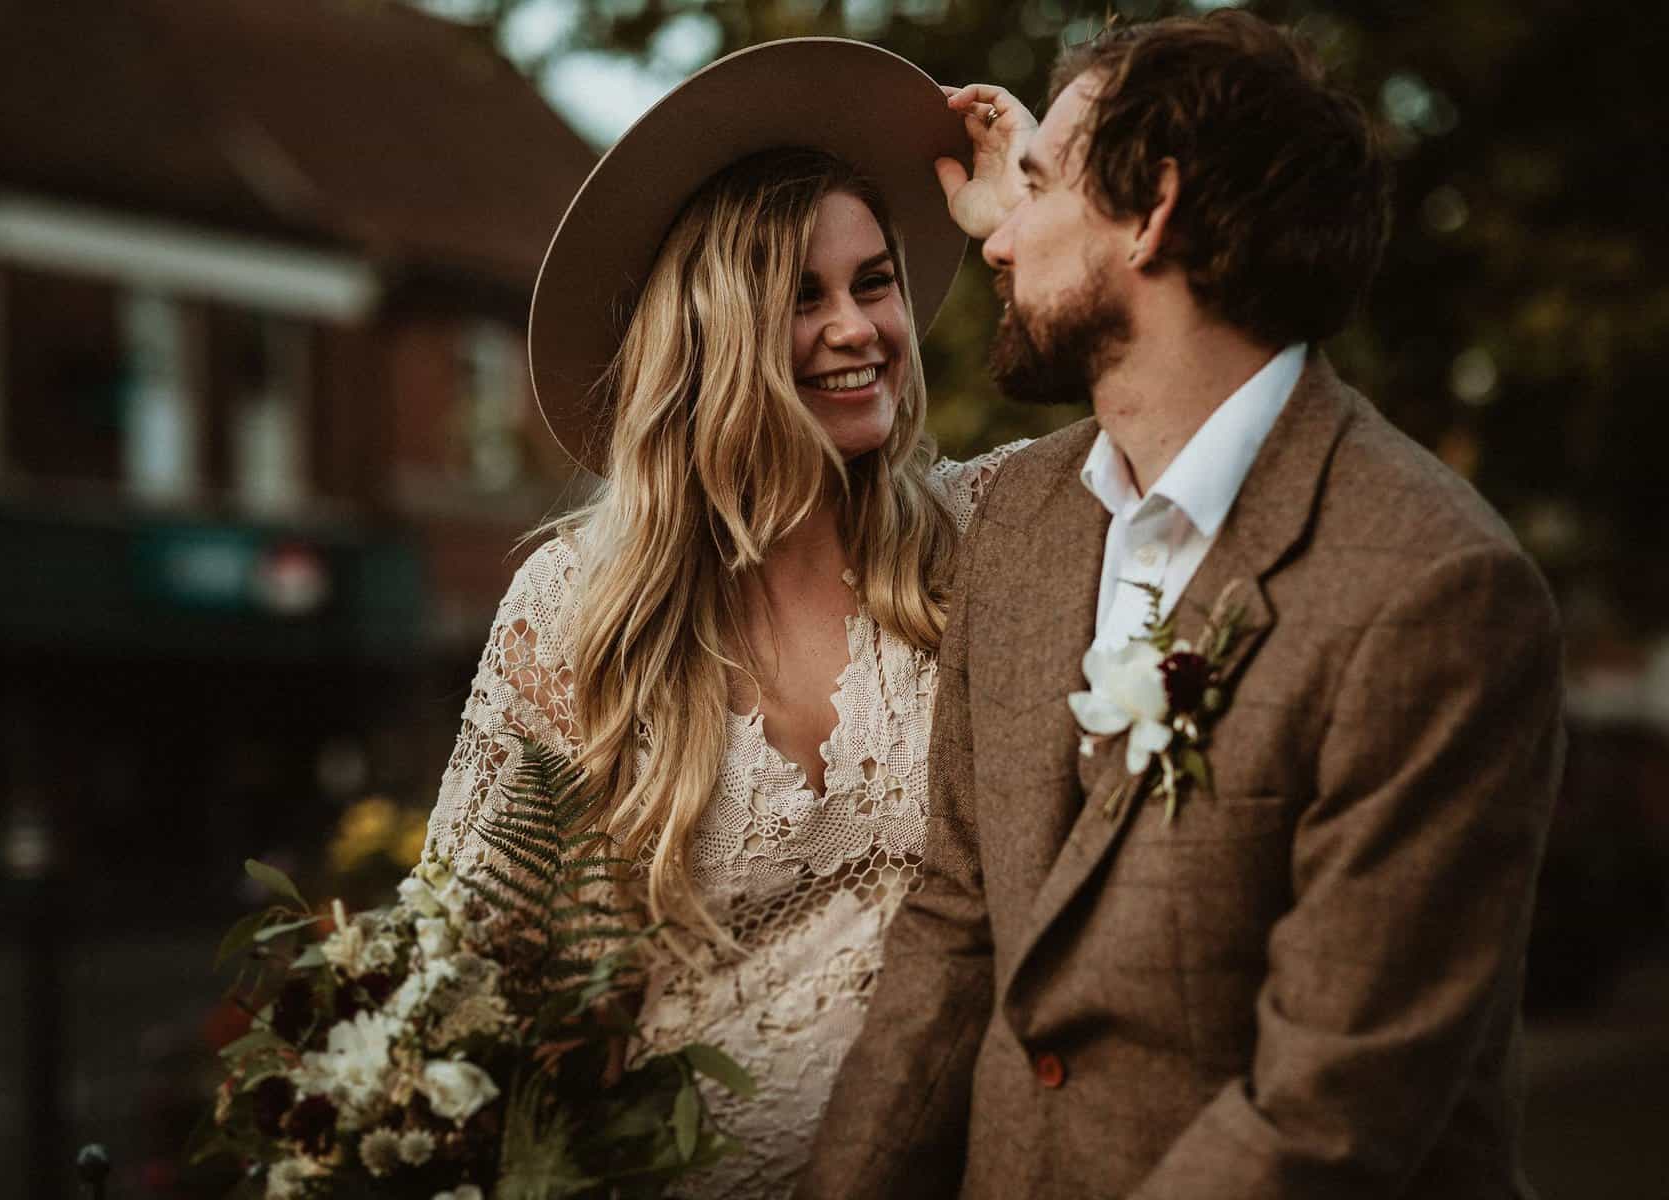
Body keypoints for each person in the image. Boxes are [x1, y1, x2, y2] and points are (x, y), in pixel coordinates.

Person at [802, 11, 1565, 1200]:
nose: (999, 244)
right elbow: (951, 940)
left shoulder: (1433, 590)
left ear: (1152, 210)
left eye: (1039, 188)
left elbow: (1327, 1110)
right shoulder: (1020, 524)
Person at [422, 39, 1029, 1199]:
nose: (857, 329)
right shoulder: (576, 607)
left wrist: (1023, 217)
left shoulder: (984, 535)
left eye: (874, 281)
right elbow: (460, 971)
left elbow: (1173, 424)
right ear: (710, 328)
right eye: (801, 295)